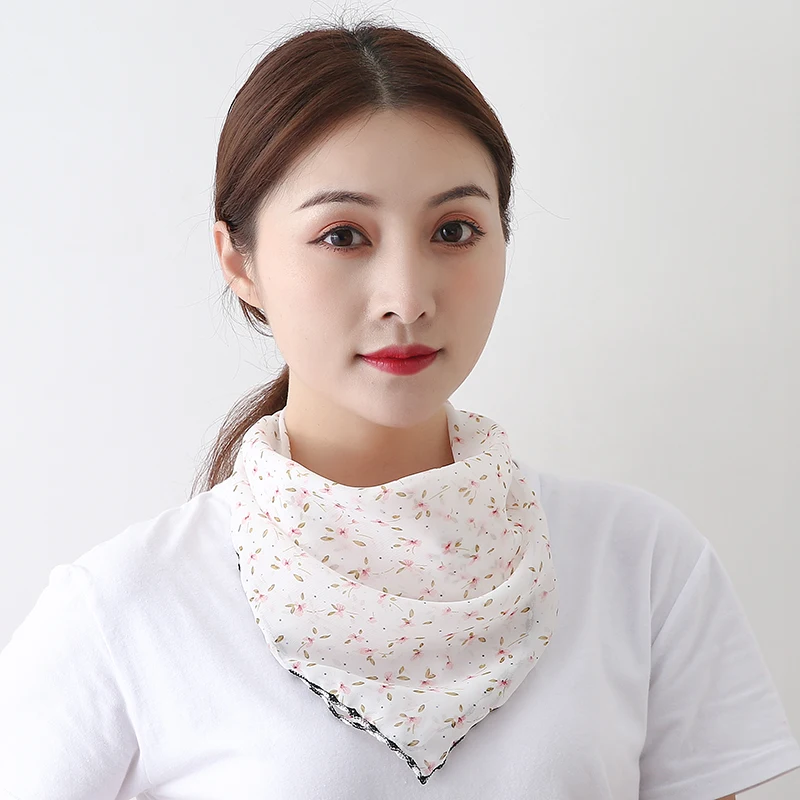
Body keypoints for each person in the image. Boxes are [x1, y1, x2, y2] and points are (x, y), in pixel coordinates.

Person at [1, 17, 798, 800]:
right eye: (343, 236)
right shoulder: (125, 610)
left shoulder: (642, 564)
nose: (407, 298)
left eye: (454, 230)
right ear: (239, 262)